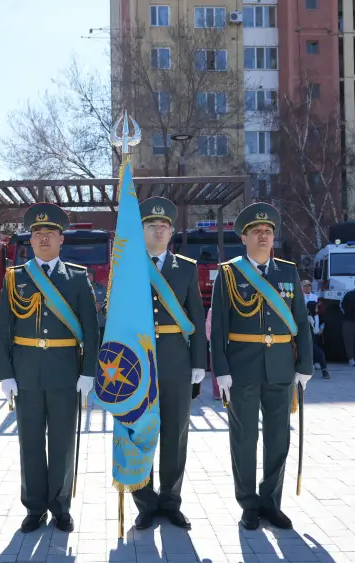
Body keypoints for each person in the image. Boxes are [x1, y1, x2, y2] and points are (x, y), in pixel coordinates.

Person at [0, 202, 100, 534]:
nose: (44, 239)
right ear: (30, 240)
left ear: (61, 239)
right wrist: (5, 373)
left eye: (51, 233)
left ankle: (61, 506)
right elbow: (4, 329)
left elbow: (91, 329)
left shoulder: (77, 277)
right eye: (38, 233)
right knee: (29, 442)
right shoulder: (15, 278)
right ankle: (34, 507)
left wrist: (88, 372)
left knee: (62, 442)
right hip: (26, 372)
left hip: (65, 372)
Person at [211, 202, 313, 531]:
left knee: (278, 438)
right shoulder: (229, 273)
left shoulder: (288, 272)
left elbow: (301, 322)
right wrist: (221, 370)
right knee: (244, 439)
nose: (263, 236)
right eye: (256, 231)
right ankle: (248, 503)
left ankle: (271, 502)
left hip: (281, 367)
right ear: (244, 238)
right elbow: (219, 328)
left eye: (268, 231)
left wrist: (305, 365)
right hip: (242, 369)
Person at [129, 197, 207, 531]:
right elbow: (114, 318)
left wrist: (199, 362)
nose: (158, 231)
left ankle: (171, 501)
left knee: (175, 433)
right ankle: (145, 503)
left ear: (171, 232)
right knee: (140, 433)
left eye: (164, 226)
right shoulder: (126, 265)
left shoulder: (185, 268)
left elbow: (196, 315)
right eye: (152, 225)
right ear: (141, 230)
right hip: (136, 363)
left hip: (176, 360)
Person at [307, 301, 329, 379]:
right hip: (308, 341)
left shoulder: (315, 316)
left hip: (314, 340)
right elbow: (313, 330)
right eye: (316, 307)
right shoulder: (308, 318)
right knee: (320, 354)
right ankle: (324, 371)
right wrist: (318, 331)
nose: (317, 309)